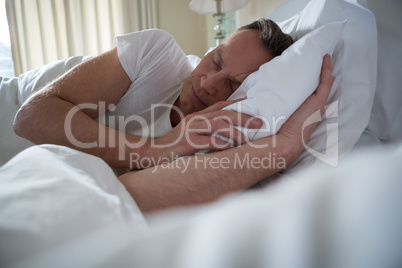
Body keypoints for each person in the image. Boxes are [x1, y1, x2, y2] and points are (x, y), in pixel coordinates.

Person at [13, 19, 333, 212]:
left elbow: (118, 202)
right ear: (211, 49)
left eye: (231, 84)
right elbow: (29, 116)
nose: (207, 84)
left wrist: (287, 143)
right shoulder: (155, 54)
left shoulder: (229, 140)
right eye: (216, 62)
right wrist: (163, 147)